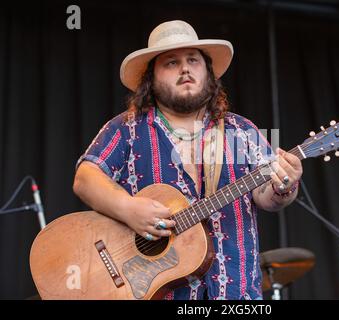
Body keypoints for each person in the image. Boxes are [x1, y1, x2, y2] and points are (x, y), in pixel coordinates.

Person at [73, 20, 302, 300]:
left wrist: (285, 185)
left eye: (193, 60)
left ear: (207, 72)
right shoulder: (127, 129)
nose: (185, 69)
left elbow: (268, 197)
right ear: (151, 78)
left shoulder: (241, 130)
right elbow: (85, 178)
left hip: (236, 295)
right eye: (171, 62)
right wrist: (128, 208)